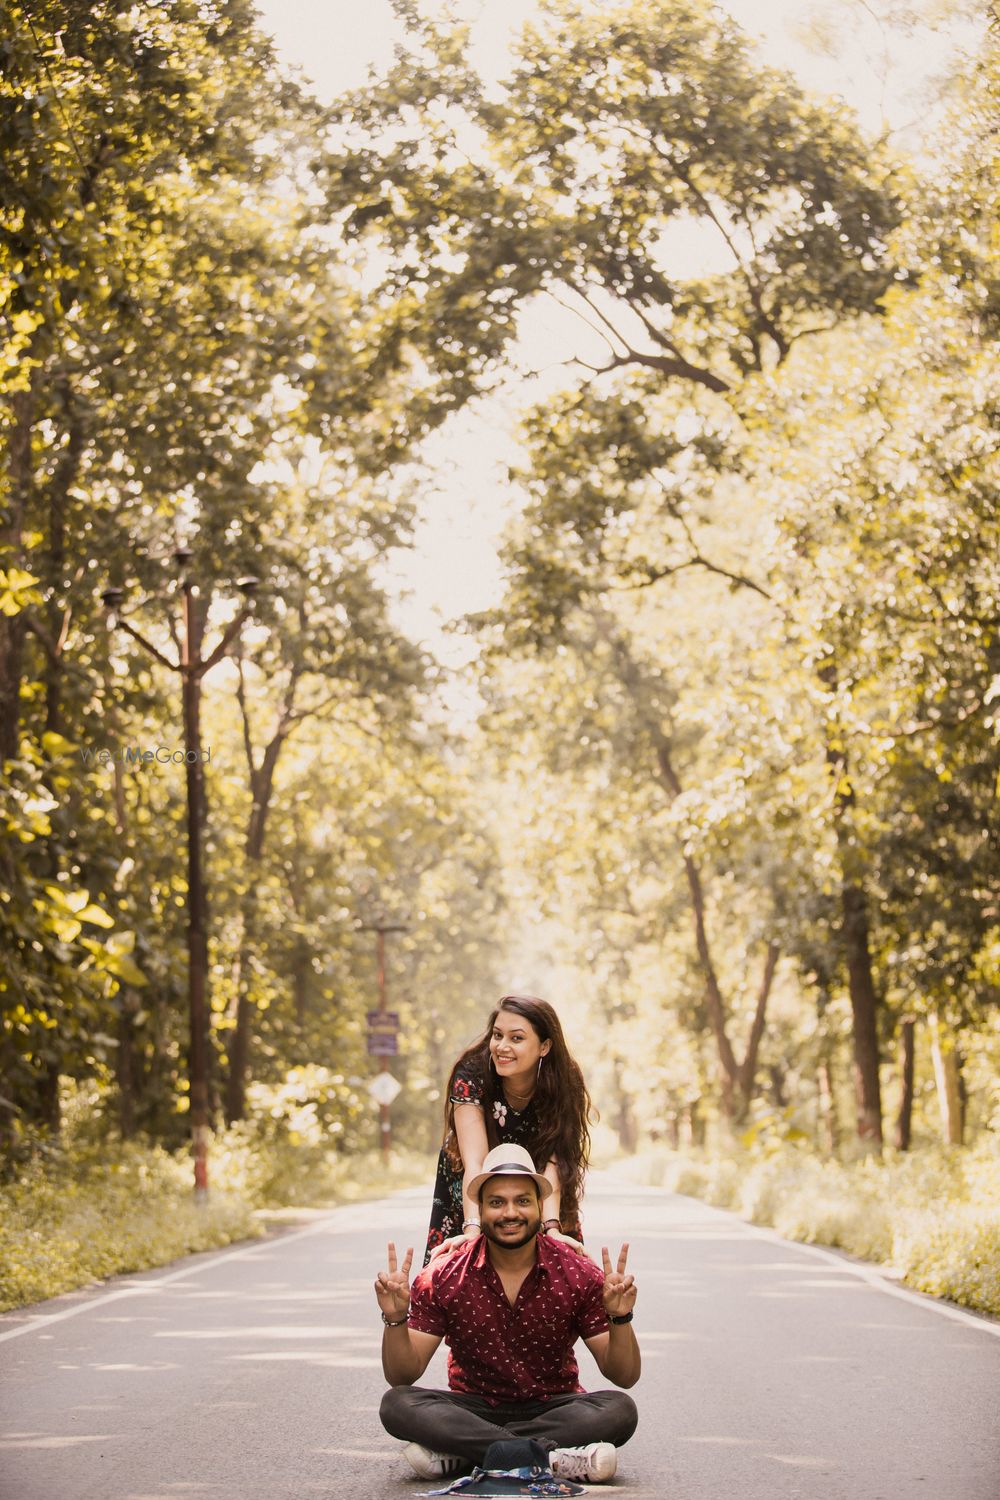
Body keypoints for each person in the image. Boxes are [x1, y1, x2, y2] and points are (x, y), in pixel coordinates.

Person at [375, 1142, 640, 1485]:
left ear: (539, 1207)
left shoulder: (578, 1273)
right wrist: (396, 1318)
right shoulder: (444, 1275)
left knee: (620, 1410)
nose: (510, 1212)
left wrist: (620, 1317)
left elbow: (624, 1376)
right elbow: (402, 1376)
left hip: (553, 1407)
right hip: (472, 1407)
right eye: (497, 1202)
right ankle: (552, 1457)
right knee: (397, 1404)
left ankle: (466, 1453)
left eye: (522, 1201)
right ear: (481, 1210)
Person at [424, 995, 594, 1265]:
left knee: (561, 1266)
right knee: (458, 1266)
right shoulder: (471, 1073)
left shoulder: (564, 1080)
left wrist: (551, 1227)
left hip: (539, 1178)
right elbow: (475, 1161)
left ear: (545, 1046)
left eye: (516, 1038)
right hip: (471, 1176)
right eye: (497, 1035)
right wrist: (471, 1229)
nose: (502, 1047)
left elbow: (555, 1160)